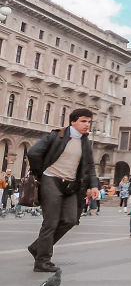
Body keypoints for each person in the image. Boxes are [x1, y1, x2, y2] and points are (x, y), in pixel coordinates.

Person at [26, 108, 99, 272]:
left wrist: (94, 185)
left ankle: (37, 247)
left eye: (89, 122)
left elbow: (89, 166)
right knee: (50, 222)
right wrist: (41, 173)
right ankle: (42, 261)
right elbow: (33, 153)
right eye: (83, 121)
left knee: (70, 219)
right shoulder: (56, 135)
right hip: (51, 180)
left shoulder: (85, 142)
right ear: (73, 121)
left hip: (71, 185)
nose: (87, 125)